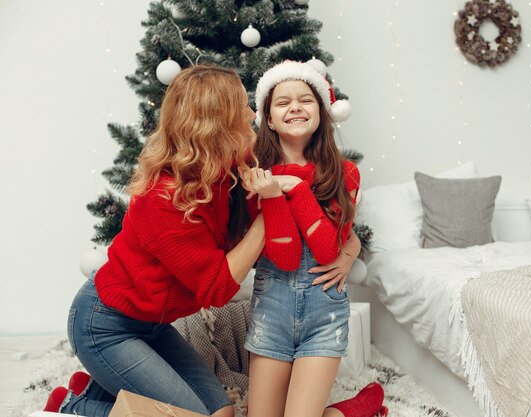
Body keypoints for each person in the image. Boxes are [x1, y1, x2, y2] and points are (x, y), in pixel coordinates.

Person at [42, 65, 266, 417]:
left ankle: (95, 391)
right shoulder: (162, 199)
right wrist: (268, 220)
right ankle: (75, 406)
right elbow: (215, 288)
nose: (251, 114)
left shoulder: (225, 171)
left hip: (153, 326)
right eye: (241, 106)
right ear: (216, 123)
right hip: (105, 326)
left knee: (222, 413)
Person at [241, 60, 388, 417]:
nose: (295, 107)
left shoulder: (345, 173)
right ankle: (346, 411)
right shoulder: (254, 176)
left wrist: (293, 187)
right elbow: (287, 258)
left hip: (324, 313)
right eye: (282, 102)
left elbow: (326, 250)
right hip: (271, 311)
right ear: (269, 120)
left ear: (322, 112)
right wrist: (273, 194)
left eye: (305, 99)